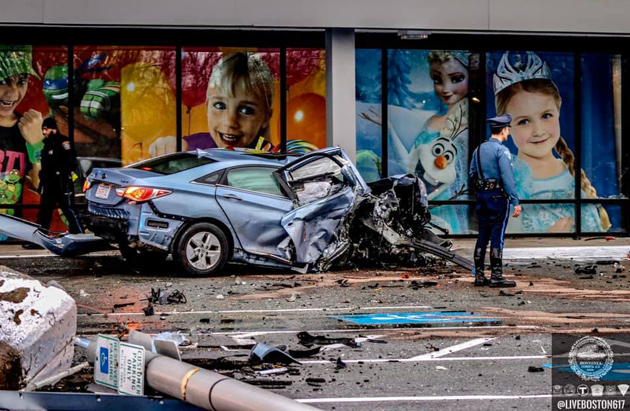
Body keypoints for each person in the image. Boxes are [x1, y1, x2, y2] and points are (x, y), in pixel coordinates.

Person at [493, 51, 610, 233]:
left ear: (559, 109)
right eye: (524, 121)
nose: (538, 131)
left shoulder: (571, 173)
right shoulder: (508, 181)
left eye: (546, 116)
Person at [359, 50, 469, 232]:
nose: (445, 88)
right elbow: (409, 164)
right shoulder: (432, 121)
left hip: (447, 202)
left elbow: (458, 176)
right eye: (437, 80)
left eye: (456, 79)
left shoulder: (469, 126)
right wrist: (389, 128)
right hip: (425, 200)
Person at [149, 52, 276, 157]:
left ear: (265, 117)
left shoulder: (272, 158)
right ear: (207, 106)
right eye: (220, 106)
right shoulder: (191, 148)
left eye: (246, 110)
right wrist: (166, 147)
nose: (230, 122)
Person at [469, 114, 521, 287]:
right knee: (497, 236)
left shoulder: (478, 150)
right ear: (504, 130)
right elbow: (508, 177)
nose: (508, 132)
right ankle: (496, 276)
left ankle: (479, 276)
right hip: (497, 197)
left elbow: (471, 174)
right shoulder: (502, 150)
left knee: (482, 234)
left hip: (482, 197)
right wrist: (515, 200)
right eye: (508, 129)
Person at [0, 45, 43, 225]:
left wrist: (37, 144)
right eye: (2, 81)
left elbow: (42, 187)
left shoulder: (28, 128)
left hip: (12, 235)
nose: (13, 93)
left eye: (21, 81)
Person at [36, 117, 82, 234]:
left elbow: (71, 162)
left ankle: (79, 234)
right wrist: (41, 183)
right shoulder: (46, 145)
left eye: (45, 129)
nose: (43, 132)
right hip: (48, 184)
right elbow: (45, 167)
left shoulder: (64, 142)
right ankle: (41, 236)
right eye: (42, 129)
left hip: (61, 183)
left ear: (53, 129)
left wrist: (62, 174)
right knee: (44, 212)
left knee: (68, 210)